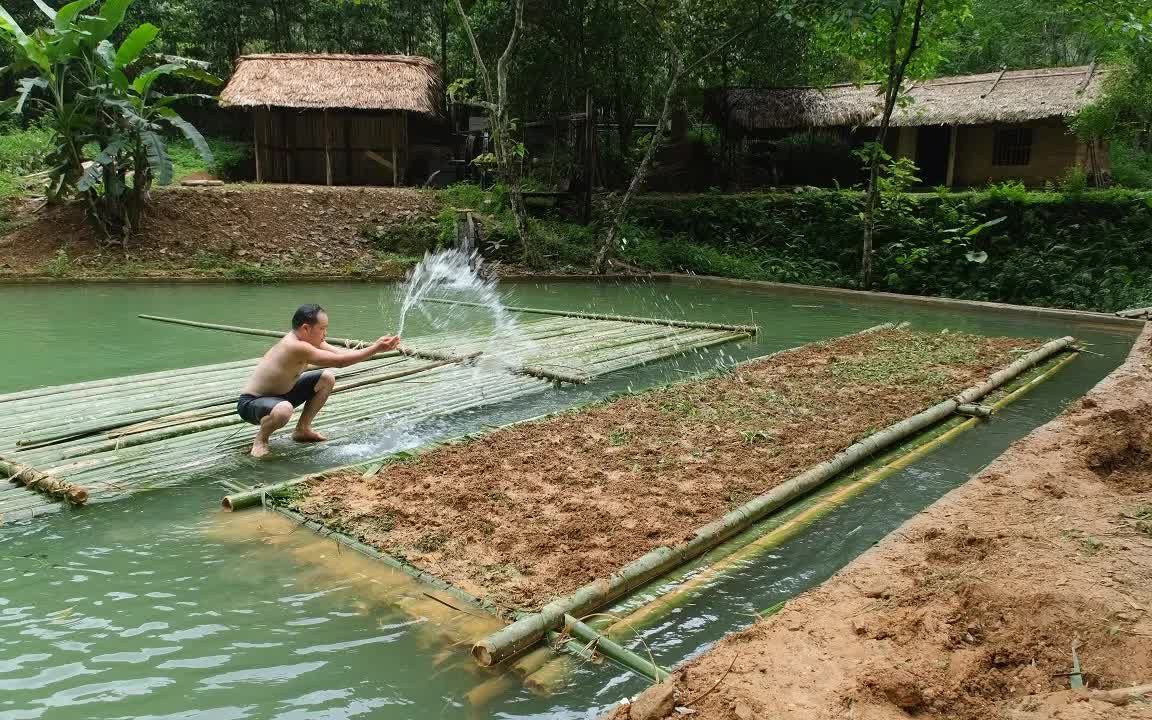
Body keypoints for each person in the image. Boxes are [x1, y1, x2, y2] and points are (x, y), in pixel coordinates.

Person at [237, 304, 400, 458]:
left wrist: (374, 347)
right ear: (306, 328)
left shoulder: (309, 340)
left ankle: (302, 429)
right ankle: (261, 440)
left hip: (283, 395)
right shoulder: (295, 346)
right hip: (253, 403)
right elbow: (341, 363)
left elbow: (340, 355)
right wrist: (376, 348)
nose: (325, 333)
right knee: (284, 410)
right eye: (322, 329)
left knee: (326, 378)